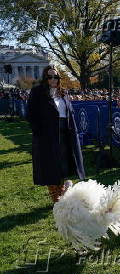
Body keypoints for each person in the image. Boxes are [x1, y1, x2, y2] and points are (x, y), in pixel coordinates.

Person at [26, 65, 85, 203]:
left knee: (65, 163)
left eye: (56, 76)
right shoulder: (37, 92)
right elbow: (31, 115)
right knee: (51, 166)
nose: (53, 79)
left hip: (66, 133)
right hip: (47, 136)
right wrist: (39, 133)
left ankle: (65, 193)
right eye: (50, 76)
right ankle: (56, 198)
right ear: (45, 78)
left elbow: (70, 112)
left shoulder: (63, 93)